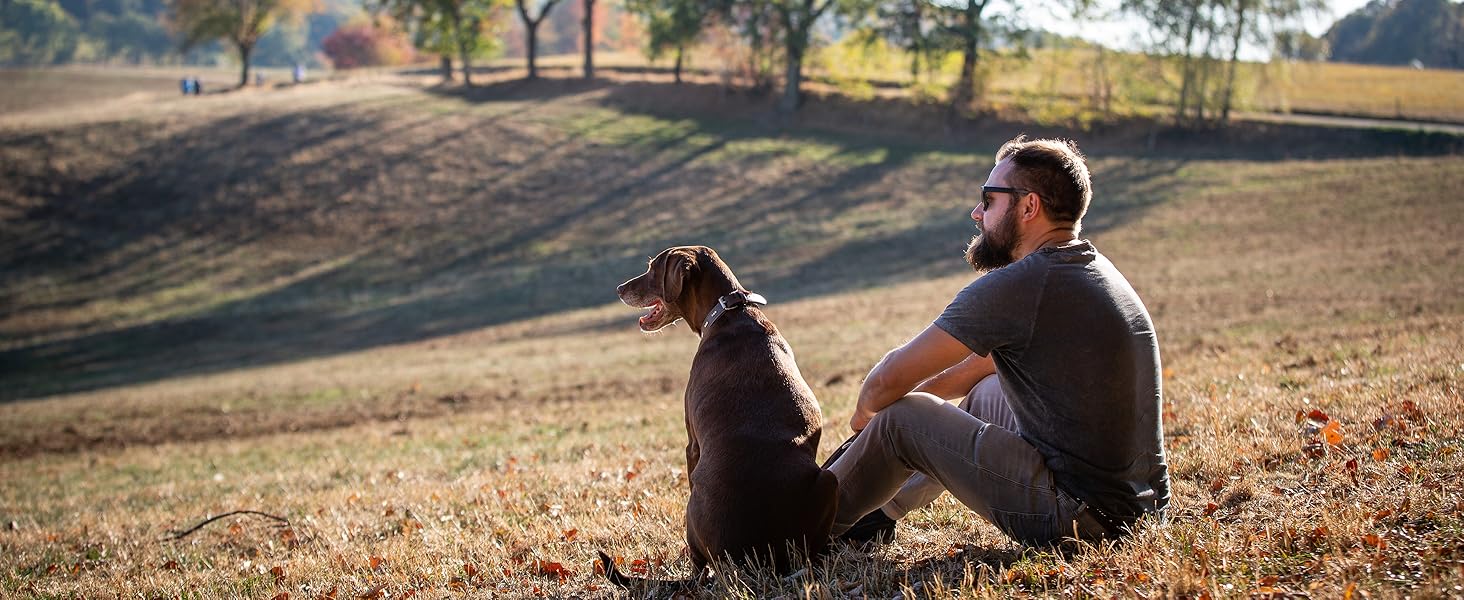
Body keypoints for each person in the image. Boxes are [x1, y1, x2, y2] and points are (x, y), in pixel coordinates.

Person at [826, 135, 1170, 547]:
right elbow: (983, 366)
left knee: (905, 418)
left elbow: (885, 382)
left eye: (988, 200)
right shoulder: (1088, 267)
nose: (976, 212)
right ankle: (877, 514)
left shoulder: (1023, 284)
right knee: (987, 393)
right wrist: (918, 397)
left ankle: (801, 525)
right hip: (1139, 511)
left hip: (1082, 518)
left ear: (1029, 206)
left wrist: (871, 418)